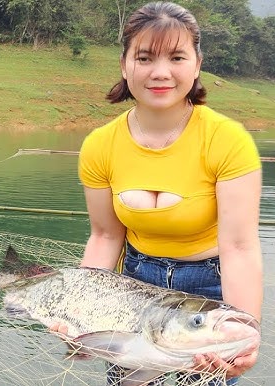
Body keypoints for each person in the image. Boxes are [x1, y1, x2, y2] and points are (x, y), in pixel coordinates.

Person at [75, 2, 262, 385]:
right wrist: (81, 306)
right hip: (132, 286)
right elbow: (106, 235)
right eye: (144, 57)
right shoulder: (99, 146)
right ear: (125, 64)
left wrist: (245, 335)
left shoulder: (228, 141)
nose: (160, 72)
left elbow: (239, 247)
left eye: (177, 57)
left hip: (208, 292)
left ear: (196, 64)